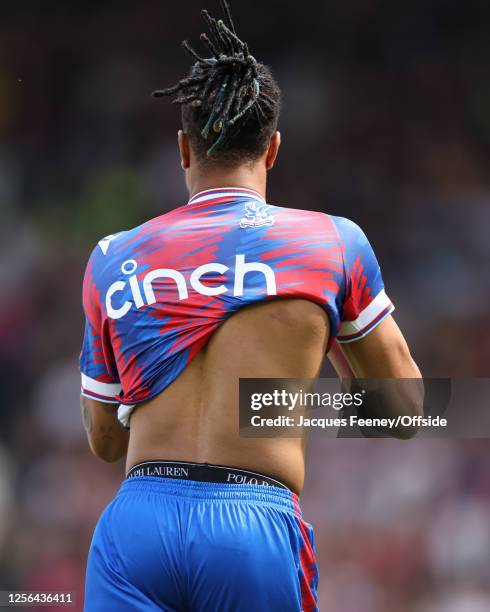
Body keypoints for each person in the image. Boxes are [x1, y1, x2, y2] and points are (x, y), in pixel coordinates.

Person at [79, 2, 421, 610]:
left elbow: (105, 440)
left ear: (184, 149)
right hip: (252, 526)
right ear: (273, 150)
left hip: (136, 529)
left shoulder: (113, 257)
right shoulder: (333, 241)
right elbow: (404, 410)